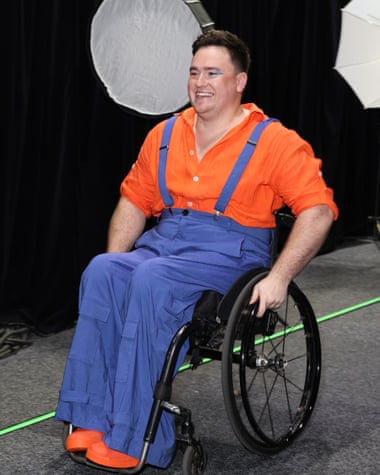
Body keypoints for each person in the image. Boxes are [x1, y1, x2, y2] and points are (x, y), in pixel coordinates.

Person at [56, 29, 338, 470]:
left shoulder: (275, 141)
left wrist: (280, 276)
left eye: (212, 73)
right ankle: (92, 416)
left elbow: (318, 211)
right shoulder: (165, 133)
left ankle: (137, 438)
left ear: (239, 82)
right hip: (167, 243)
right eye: (193, 73)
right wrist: (117, 264)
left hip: (232, 253)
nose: (200, 82)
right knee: (102, 270)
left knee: (152, 280)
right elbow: (133, 202)